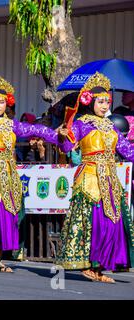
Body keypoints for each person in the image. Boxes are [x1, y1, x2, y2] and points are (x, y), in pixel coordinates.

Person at [0, 77, 61, 272]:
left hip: (9, 175)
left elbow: (36, 129)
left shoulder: (13, 125)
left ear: (7, 103)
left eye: (1, 101)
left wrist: (60, 136)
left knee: (7, 216)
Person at [57, 72, 134, 283]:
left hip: (109, 180)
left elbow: (127, 150)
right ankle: (88, 266)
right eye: (100, 101)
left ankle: (100, 269)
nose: (104, 105)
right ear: (90, 101)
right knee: (95, 223)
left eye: (107, 102)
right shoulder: (81, 123)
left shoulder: (111, 127)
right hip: (90, 178)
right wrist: (63, 135)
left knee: (111, 223)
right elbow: (66, 146)